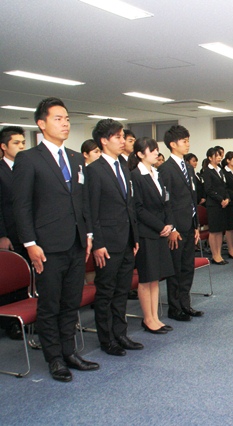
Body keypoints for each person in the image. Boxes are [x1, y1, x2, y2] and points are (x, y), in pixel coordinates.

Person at [13, 97, 99, 382]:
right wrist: (29, 243)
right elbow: (21, 206)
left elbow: (83, 201)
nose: (65, 124)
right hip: (46, 245)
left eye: (67, 119)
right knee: (50, 304)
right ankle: (54, 359)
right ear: (42, 123)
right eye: (58, 119)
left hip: (76, 242)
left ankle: (69, 351)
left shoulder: (75, 158)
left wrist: (88, 234)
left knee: (71, 302)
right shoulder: (28, 159)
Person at [85, 119, 142, 356]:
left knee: (121, 291)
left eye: (122, 136)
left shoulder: (124, 167)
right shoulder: (94, 170)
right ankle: (107, 338)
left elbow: (130, 206)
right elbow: (91, 211)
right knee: (106, 292)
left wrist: (134, 237)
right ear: (104, 141)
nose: (122, 141)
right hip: (107, 243)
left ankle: (121, 333)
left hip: (126, 240)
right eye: (117, 137)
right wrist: (97, 243)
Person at [129, 137, 175, 334]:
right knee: (146, 277)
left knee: (156, 277)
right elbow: (138, 208)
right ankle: (148, 319)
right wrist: (160, 226)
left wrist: (170, 224)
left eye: (157, 149)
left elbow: (167, 201)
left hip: (161, 231)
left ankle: (155, 317)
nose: (157, 152)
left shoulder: (157, 173)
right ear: (140, 154)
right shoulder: (135, 176)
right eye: (152, 150)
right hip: (147, 233)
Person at [158, 125, 202, 322]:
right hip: (176, 227)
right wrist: (172, 228)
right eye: (184, 141)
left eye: (188, 140)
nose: (188, 144)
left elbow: (193, 198)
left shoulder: (189, 168)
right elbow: (166, 202)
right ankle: (175, 308)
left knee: (187, 268)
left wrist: (196, 225)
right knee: (175, 270)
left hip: (189, 225)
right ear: (173, 144)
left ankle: (186, 304)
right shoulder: (165, 169)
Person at [0, 126, 28, 340]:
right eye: (16, 143)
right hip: (9, 231)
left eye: (23, 143)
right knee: (11, 278)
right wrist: (2, 235)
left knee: (28, 276)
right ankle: (10, 323)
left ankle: (26, 317)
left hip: (27, 232)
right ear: (3, 146)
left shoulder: (26, 168)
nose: (21, 146)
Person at [202, 147, 230, 265]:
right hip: (213, 205)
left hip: (223, 204)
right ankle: (215, 255)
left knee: (220, 231)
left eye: (220, 155)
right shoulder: (207, 171)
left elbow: (224, 187)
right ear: (210, 158)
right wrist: (220, 200)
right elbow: (208, 189)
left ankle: (219, 254)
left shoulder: (220, 170)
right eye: (216, 156)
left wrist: (227, 198)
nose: (219, 158)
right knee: (214, 231)